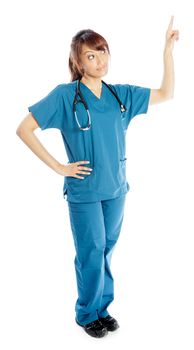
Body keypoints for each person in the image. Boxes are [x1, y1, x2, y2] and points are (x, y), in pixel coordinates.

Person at [16, 17, 179, 338]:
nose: (100, 60)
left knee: (106, 249)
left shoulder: (121, 95)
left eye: (103, 52)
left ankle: (103, 308)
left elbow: (166, 94)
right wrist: (60, 167)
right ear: (78, 62)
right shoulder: (65, 96)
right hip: (85, 190)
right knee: (91, 250)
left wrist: (167, 51)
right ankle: (86, 312)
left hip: (117, 188)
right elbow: (24, 129)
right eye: (91, 55)